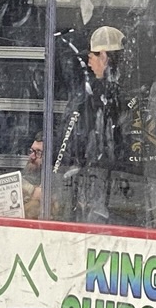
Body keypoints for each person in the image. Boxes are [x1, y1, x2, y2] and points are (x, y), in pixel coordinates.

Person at [55, 26, 129, 221]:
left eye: (92, 55)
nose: (89, 61)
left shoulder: (110, 97)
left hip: (108, 186)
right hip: (105, 184)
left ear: (104, 56)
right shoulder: (99, 94)